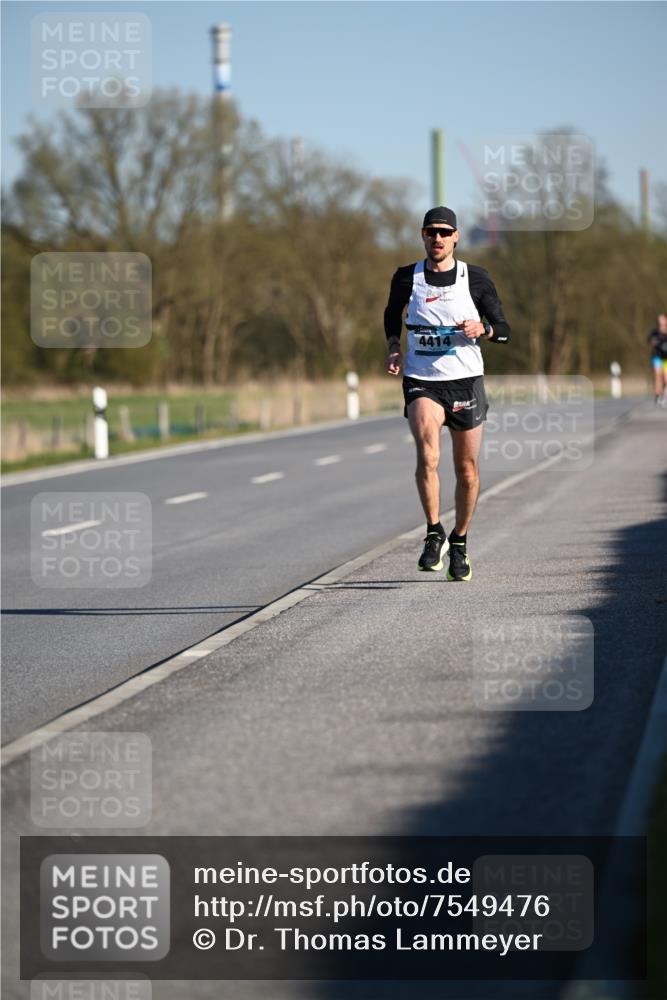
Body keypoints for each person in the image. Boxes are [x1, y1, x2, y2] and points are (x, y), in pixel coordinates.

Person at [384, 206, 511, 581]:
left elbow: (504, 328)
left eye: (443, 232)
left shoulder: (475, 279)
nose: (436, 238)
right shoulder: (407, 277)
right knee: (428, 451)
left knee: (467, 471)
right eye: (430, 232)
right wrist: (394, 345)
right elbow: (392, 314)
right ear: (422, 235)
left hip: (465, 380)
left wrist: (482, 328)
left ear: (455, 236)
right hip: (422, 378)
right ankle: (433, 530)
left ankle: (459, 541)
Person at [647, 313, 667, 406]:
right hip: (657, 357)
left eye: (663, 319)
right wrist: (653, 341)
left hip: (666, 358)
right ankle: (658, 394)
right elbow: (650, 340)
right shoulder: (655, 332)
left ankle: (664, 395)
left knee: (666, 378)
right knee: (658, 375)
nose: (661, 321)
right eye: (660, 320)